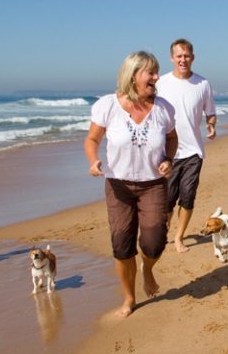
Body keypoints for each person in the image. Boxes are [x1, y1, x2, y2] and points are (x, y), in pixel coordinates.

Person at [84, 51, 178, 317]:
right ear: (133, 75)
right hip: (118, 187)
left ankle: (147, 270)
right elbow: (92, 140)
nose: (157, 77)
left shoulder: (163, 108)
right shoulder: (108, 106)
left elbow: (172, 138)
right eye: (151, 72)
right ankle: (129, 298)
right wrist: (93, 161)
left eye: (156, 71)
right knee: (122, 246)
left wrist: (169, 159)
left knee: (154, 242)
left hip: (153, 184)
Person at [156, 39, 217, 253]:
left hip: (193, 151)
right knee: (168, 200)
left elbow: (210, 112)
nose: (183, 59)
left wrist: (211, 126)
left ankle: (179, 237)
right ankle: (164, 231)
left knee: (188, 197)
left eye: (186, 56)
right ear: (172, 58)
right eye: (179, 56)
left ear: (193, 57)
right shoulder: (160, 83)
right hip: (167, 152)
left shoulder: (203, 84)